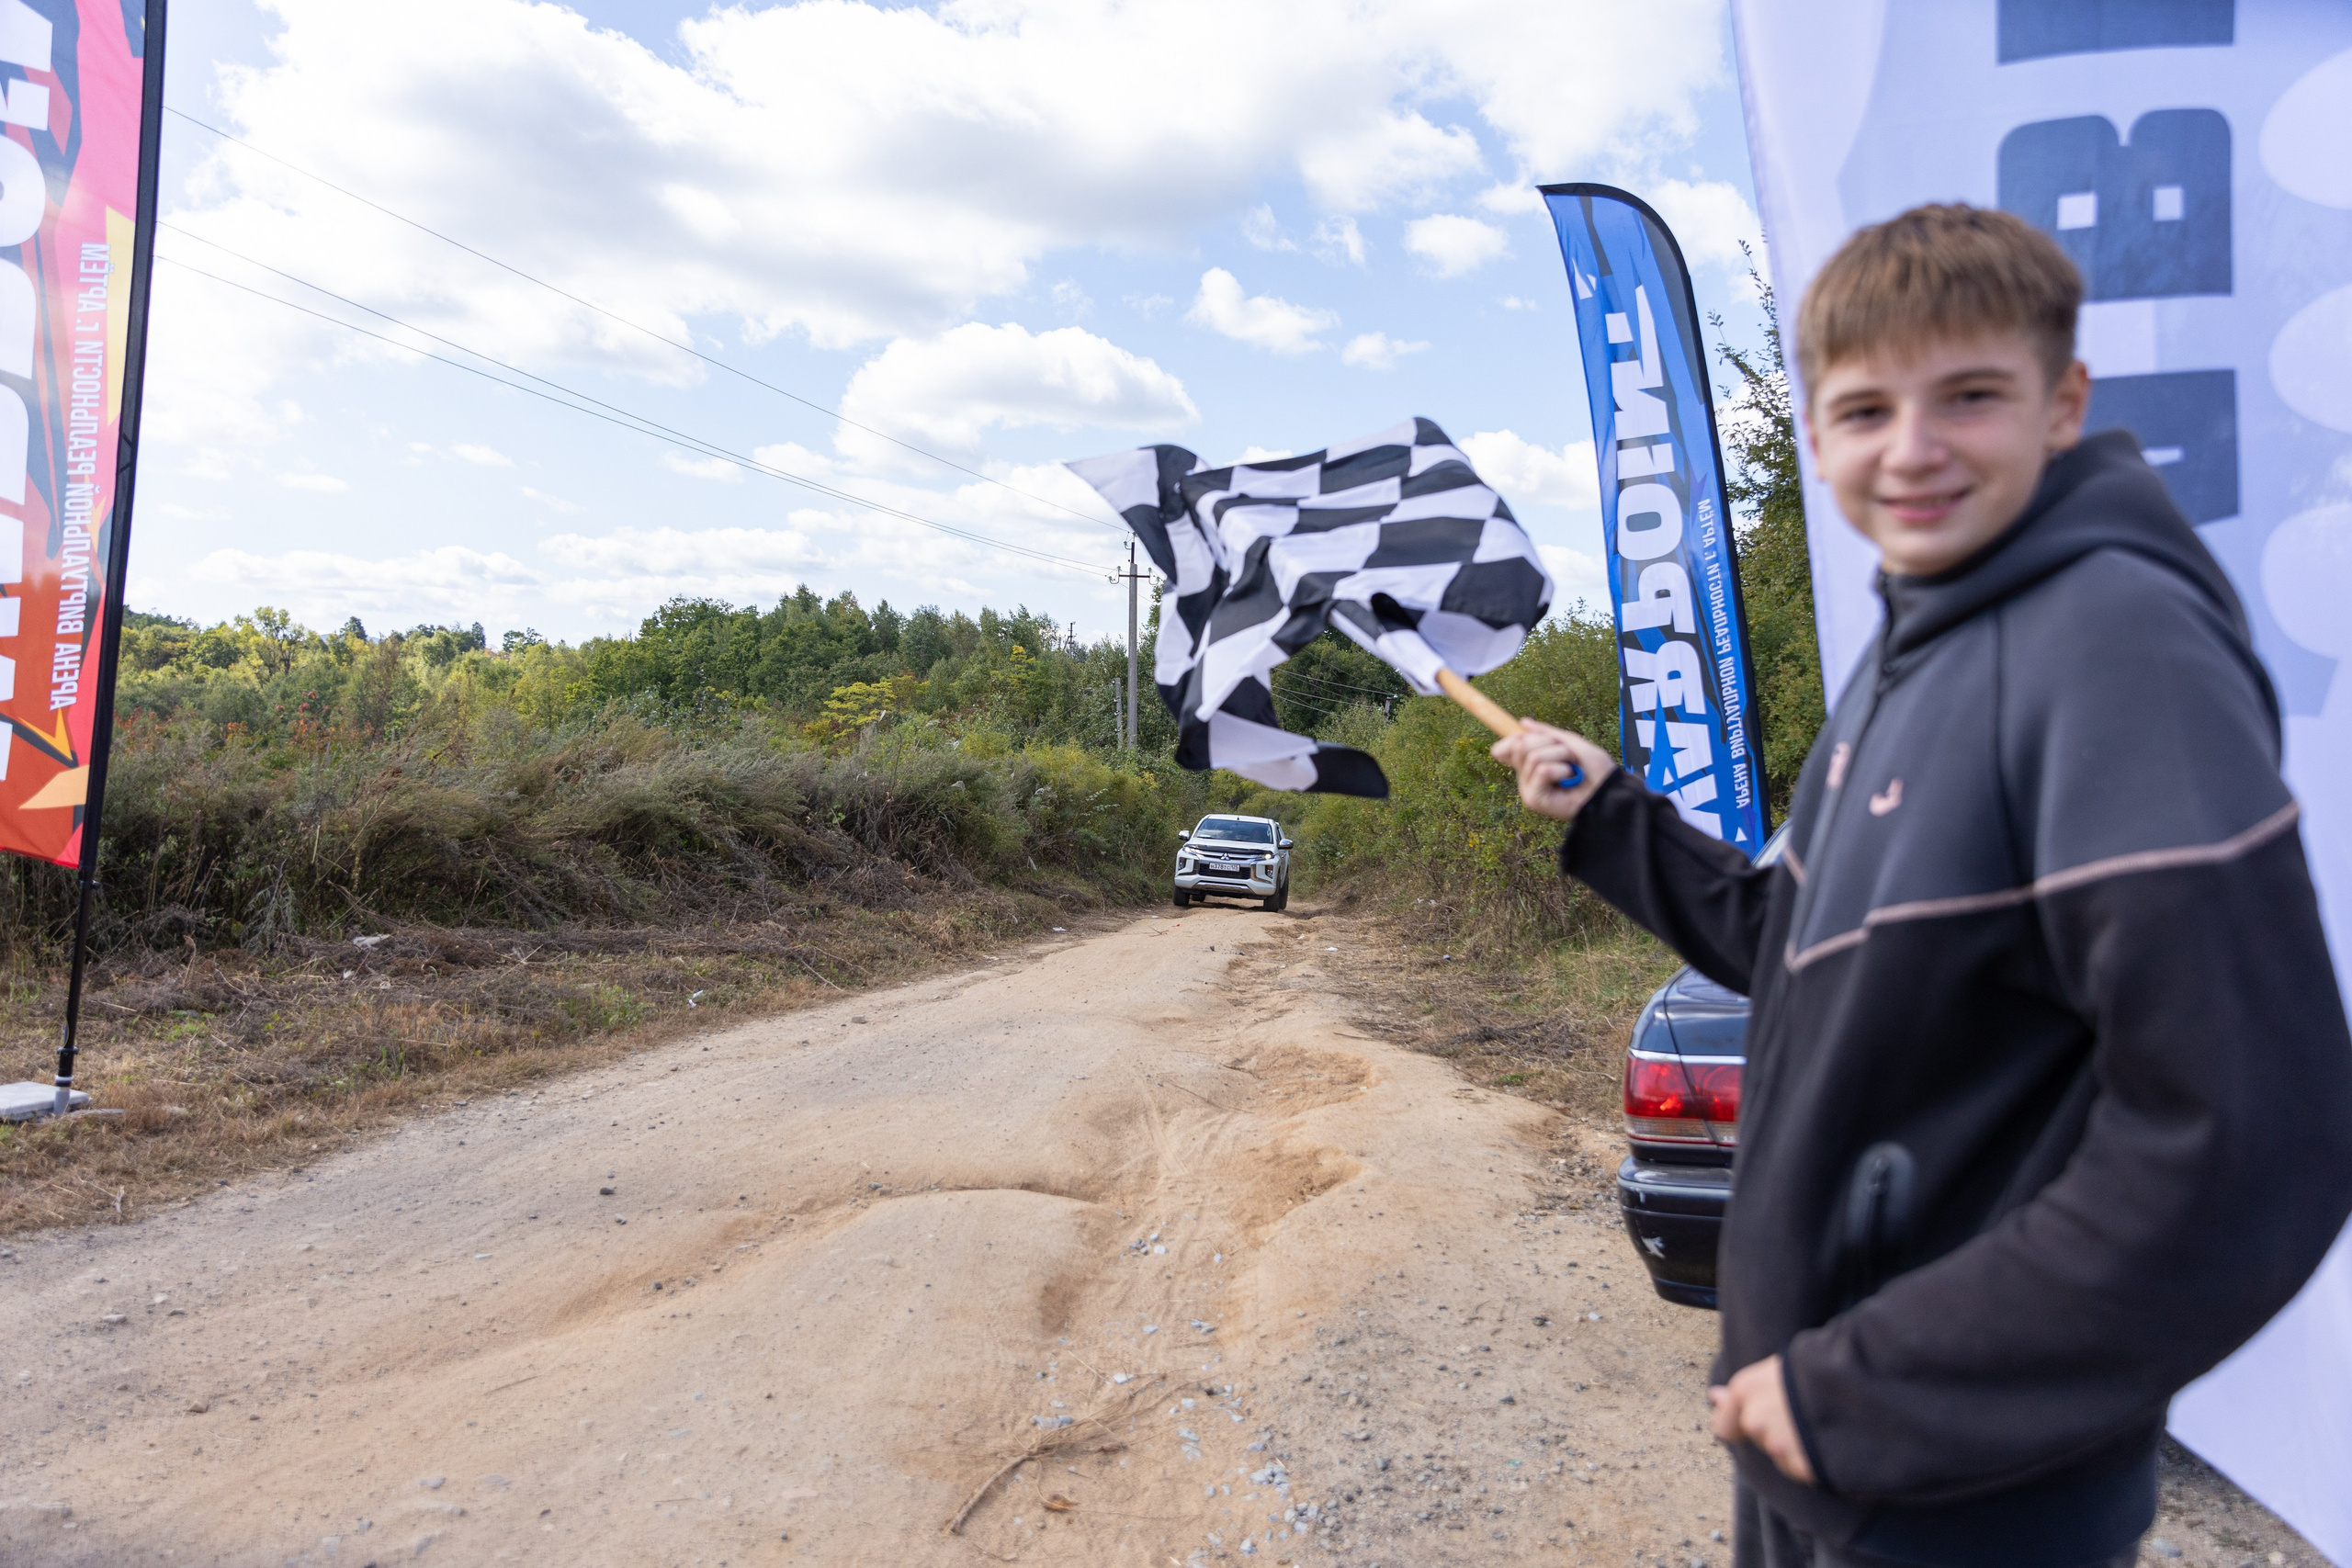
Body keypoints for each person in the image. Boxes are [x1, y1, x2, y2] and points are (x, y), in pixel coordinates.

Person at [1492, 203, 2352, 1568]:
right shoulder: (1912, 660)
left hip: (1962, 1487)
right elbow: (1800, 946)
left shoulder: (2115, 645)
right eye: (1864, 408)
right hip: (1822, 1446)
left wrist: (1873, 1388)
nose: (1912, 449)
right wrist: (1609, 812)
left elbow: (2249, 1134)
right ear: (1819, 432)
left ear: (2061, 403)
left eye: (1969, 397)